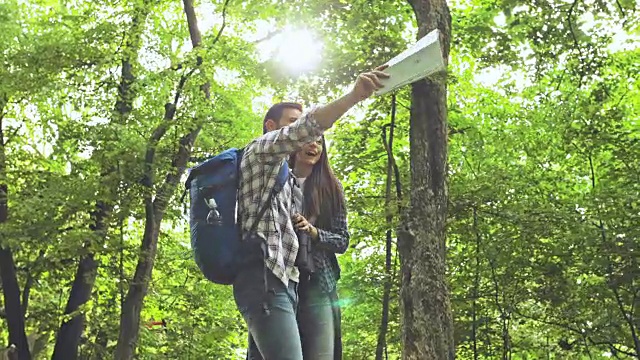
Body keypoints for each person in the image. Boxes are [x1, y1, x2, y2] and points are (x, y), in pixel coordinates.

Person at [234, 65, 389, 360]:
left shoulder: (287, 180)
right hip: (266, 280)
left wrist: (313, 232)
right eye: (293, 123)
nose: (307, 136)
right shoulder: (261, 153)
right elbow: (309, 127)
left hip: (294, 282)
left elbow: (339, 239)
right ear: (271, 127)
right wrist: (354, 96)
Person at [291, 136, 349, 360]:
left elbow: (342, 240)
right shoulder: (277, 181)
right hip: (279, 282)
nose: (314, 146)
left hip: (318, 282)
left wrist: (313, 232)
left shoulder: (331, 188)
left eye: (319, 142)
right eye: (307, 140)